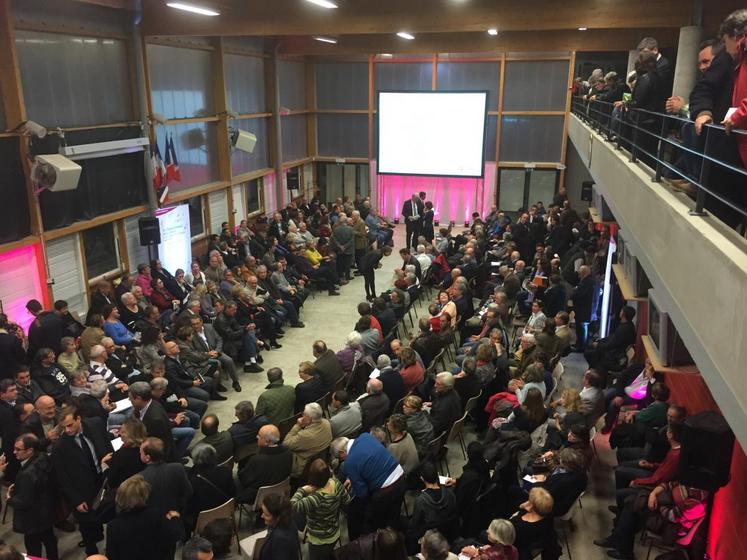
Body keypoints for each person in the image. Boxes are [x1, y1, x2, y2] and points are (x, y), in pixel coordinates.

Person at [51, 405, 113, 556]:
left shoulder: (96, 424)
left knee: (108, 516)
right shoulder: (60, 446)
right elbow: (62, 478)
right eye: (64, 427)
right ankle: (91, 550)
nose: (68, 430)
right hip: (82, 490)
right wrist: (76, 500)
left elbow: (108, 446)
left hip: (103, 480)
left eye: (70, 425)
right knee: (87, 524)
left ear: (79, 419)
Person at [332, 432, 405, 539]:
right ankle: (394, 540)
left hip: (386, 491)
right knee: (393, 516)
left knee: (367, 521)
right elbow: (370, 460)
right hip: (401, 478)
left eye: (341, 457)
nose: (343, 460)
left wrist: (356, 478)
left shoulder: (349, 463)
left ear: (342, 452)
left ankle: (372, 544)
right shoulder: (365, 436)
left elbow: (362, 493)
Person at [105, 475, 183, 560]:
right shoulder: (157, 515)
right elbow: (176, 534)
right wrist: (175, 519)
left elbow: (111, 556)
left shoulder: (113, 526)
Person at [7, 433, 58, 560]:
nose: (14, 452)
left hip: (32, 520)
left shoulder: (28, 474)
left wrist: (9, 499)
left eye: (18, 449)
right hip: (46, 511)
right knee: (50, 541)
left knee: (33, 549)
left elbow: (24, 501)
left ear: (30, 450)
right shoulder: (43, 457)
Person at [291, 458, 351, 560]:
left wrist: (302, 489)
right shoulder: (336, 483)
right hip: (334, 533)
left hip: (318, 540)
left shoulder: (315, 499)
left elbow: (292, 506)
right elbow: (347, 501)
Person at [407, 461, 459, 552]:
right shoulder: (450, 493)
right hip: (449, 533)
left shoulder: (421, 501)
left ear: (422, 479)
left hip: (431, 537)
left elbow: (414, 523)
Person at [237, 424, 293, 504]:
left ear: (267, 442)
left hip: (258, 497)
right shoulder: (288, 452)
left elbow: (244, 480)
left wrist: (240, 470)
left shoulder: (257, 460)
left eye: (259, 436)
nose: (256, 437)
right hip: (280, 491)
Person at [187, 443, 236, 529]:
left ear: (195, 459)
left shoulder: (191, 480)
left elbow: (190, 506)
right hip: (225, 513)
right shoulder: (225, 471)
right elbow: (233, 493)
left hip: (201, 520)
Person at [140, 437, 193, 516]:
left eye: (140, 452)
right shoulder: (178, 468)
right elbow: (189, 492)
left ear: (147, 458)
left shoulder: (140, 478)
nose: (139, 454)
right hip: (177, 513)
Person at [190, 315, 242, 392]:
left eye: (197, 323)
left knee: (229, 360)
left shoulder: (209, 327)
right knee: (217, 364)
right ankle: (218, 384)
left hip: (216, 351)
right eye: (193, 324)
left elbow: (219, 339)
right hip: (205, 356)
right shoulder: (191, 334)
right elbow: (194, 351)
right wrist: (207, 354)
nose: (196, 326)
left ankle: (235, 382)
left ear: (201, 322)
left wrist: (217, 351)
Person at [284, 403, 333, 478]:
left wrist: (297, 426)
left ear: (309, 419)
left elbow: (285, 444)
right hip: (320, 459)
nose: (302, 415)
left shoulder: (306, 435)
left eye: (304, 414)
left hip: (302, 467)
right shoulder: (327, 423)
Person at [129, 381, 175, 459]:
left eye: (131, 399)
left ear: (138, 398)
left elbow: (159, 446)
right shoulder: (147, 405)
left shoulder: (155, 419)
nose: (130, 401)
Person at [510, 487, 558, 560]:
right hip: (541, 539)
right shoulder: (548, 514)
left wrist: (521, 507)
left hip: (522, 547)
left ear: (532, 506)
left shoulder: (520, 525)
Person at [104, 417, 147, 489]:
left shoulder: (119, 456)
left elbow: (110, 481)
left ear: (131, 435)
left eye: (123, 432)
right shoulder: (146, 450)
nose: (120, 433)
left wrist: (104, 465)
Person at [259, 494, 300, 560]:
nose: (262, 516)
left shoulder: (280, 540)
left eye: (266, 515)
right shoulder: (288, 521)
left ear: (278, 517)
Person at [429, 372, 463, 437]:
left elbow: (436, 426)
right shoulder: (453, 392)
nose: (435, 385)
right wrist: (433, 404)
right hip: (444, 422)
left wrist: (424, 413)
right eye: (435, 382)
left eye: (438, 384)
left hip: (439, 432)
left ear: (447, 387)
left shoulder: (444, 405)